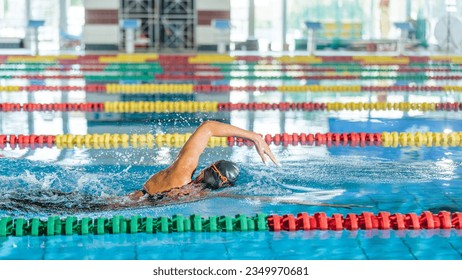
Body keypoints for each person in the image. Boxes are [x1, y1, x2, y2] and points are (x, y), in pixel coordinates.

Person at [126, 120, 279, 206]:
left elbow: (208, 127)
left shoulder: (182, 173)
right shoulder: (199, 195)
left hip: (122, 203)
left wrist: (255, 137)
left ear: (206, 170)